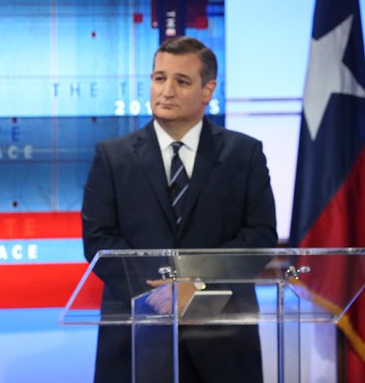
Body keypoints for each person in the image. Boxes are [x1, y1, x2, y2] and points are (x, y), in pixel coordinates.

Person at [81, 36, 277, 383]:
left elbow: (259, 237)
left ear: (208, 90)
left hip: (223, 341)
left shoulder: (243, 154)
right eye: (159, 78)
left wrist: (196, 285)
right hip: (137, 338)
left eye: (181, 81)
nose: (166, 91)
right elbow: (100, 241)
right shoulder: (112, 157)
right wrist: (162, 292)